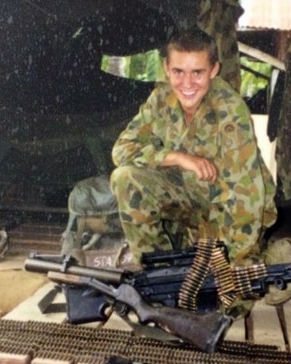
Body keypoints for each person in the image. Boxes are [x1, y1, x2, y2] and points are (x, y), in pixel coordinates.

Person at [110, 27, 278, 267]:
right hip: (192, 206)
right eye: (178, 71)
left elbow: (245, 199)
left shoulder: (230, 111)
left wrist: (232, 258)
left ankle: (265, 261)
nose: (187, 83)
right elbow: (122, 150)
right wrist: (177, 157)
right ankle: (158, 272)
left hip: (233, 214)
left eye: (197, 73)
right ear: (167, 68)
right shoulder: (161, 98)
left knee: (229, 295)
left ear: (214, 70)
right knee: (125, 178)